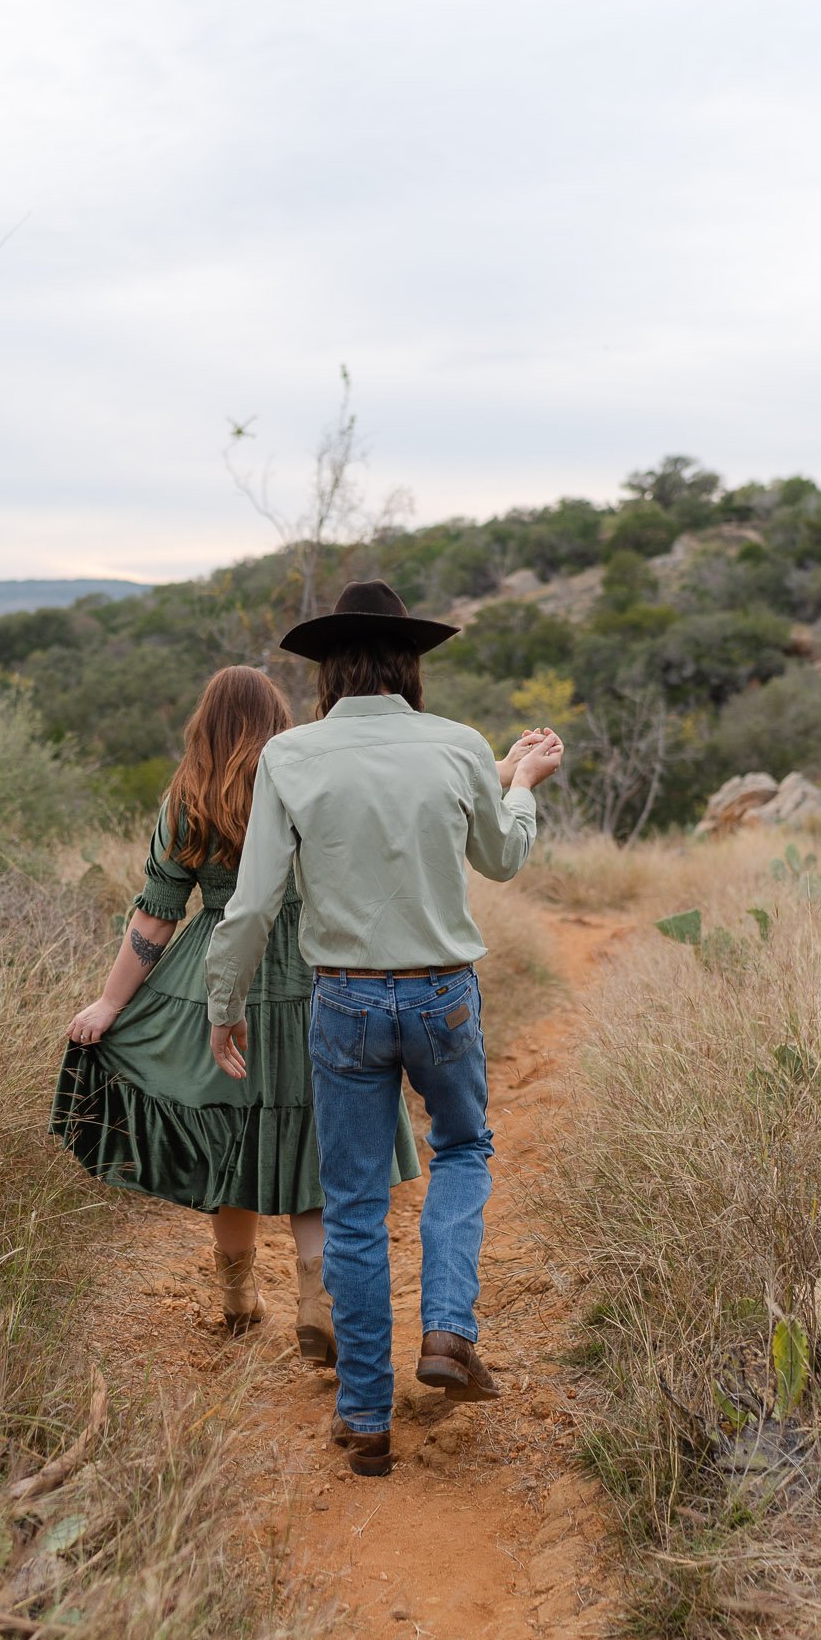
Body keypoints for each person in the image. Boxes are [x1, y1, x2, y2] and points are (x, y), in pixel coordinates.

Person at [204, 581, 564, 1476]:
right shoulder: (457, 745)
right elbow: (503, 857)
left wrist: (223, 1003)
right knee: (463, 1150)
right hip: (443, 995)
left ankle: (364, 1414)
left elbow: (253, 904)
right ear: (409, 664)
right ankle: (445, 1331)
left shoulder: (290, 755)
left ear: (327, 671)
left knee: (355, 1204)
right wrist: (521, 786)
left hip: (344, 1002)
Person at [51, 663, 420, 1349]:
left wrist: (109, 1003)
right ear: (279, 720)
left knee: (229, 1141)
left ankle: (238, 1298)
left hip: (216, 978)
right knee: (316, 1139)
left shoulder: (188, 795)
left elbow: (157, 914)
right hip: (316, 969)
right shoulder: (310, 775)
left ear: (205, 724)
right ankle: (317, 1305)